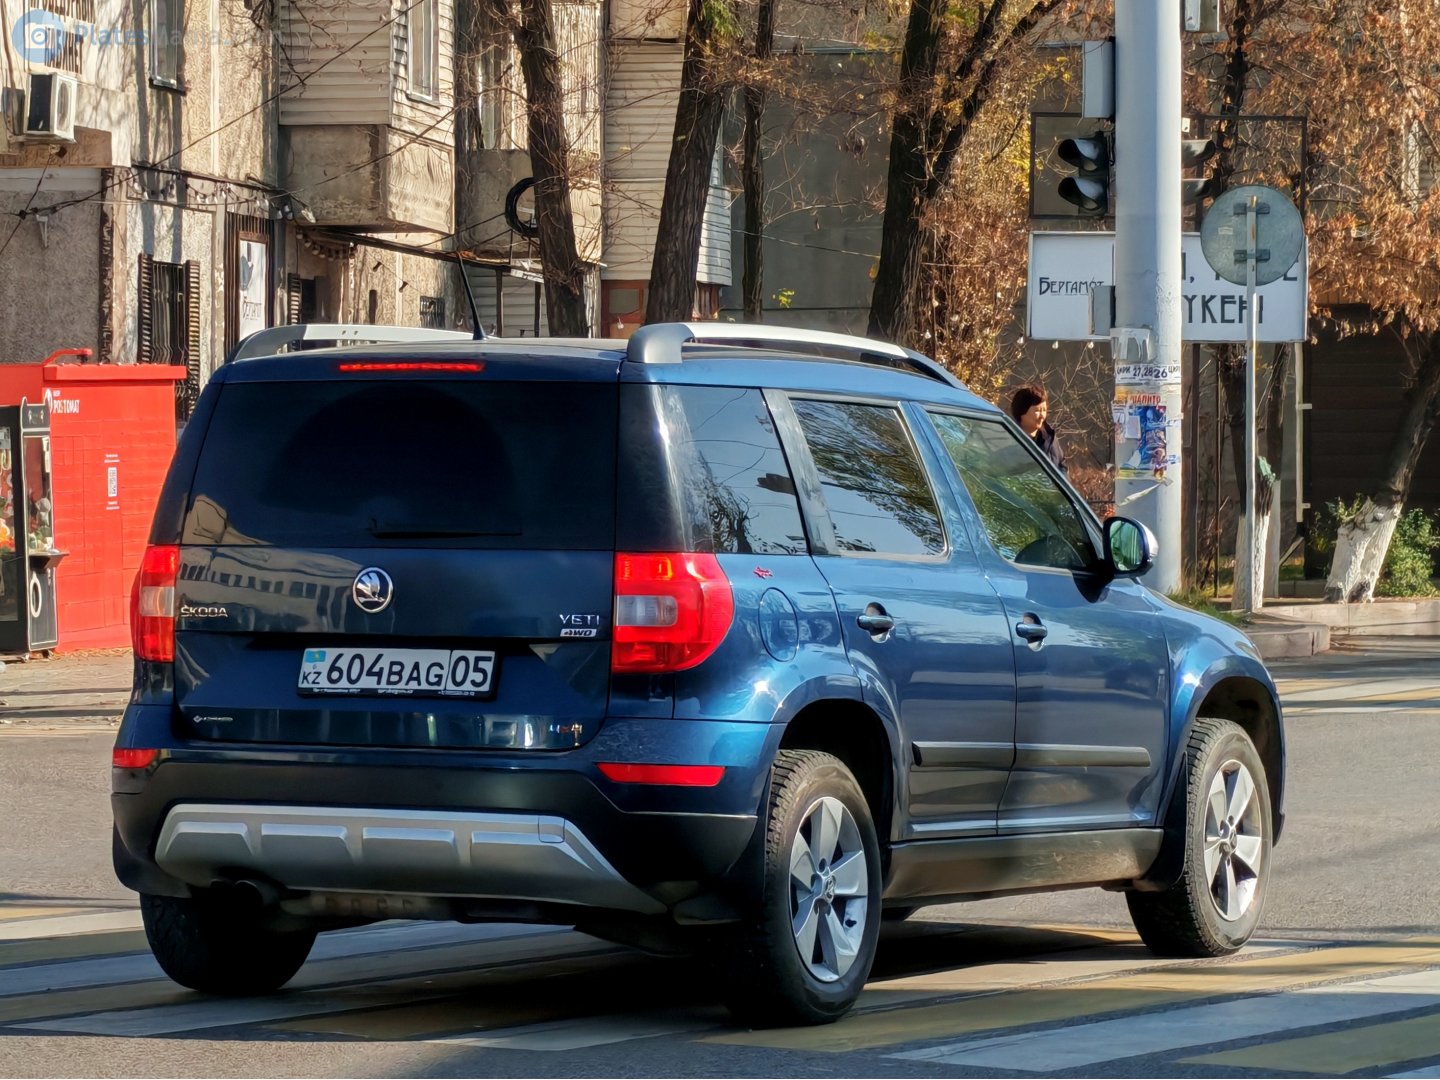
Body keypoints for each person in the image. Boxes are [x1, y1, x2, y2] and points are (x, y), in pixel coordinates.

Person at [1009, 384, 1066, 472]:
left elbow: (1062, 467)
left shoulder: (1050, 438)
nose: (1042, 416)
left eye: (1044, 410)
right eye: (1037, 411)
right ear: (1022, 412)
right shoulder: (1009, 438)